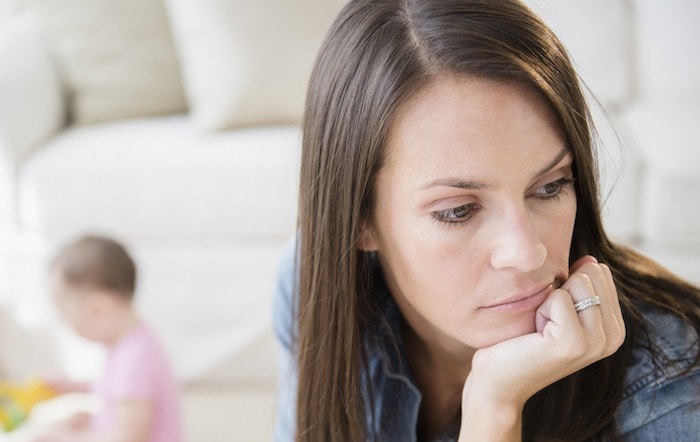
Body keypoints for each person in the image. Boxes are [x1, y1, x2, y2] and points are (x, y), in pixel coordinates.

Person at [272, 0, 700, 440]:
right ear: (359, 220)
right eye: (458, 210)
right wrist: (493, 410)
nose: (527, 252)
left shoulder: (669, 389)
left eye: (550, 186)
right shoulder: (315, 283)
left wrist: (495, 405)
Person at [38, 235, 182, 442]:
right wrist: (77, 390)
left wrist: (67, 439)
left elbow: (127, 437)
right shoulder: (132, 343)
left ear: (99, 309)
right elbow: (119, 390)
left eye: (64, 310)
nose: (63, 322)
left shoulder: (134, 360)